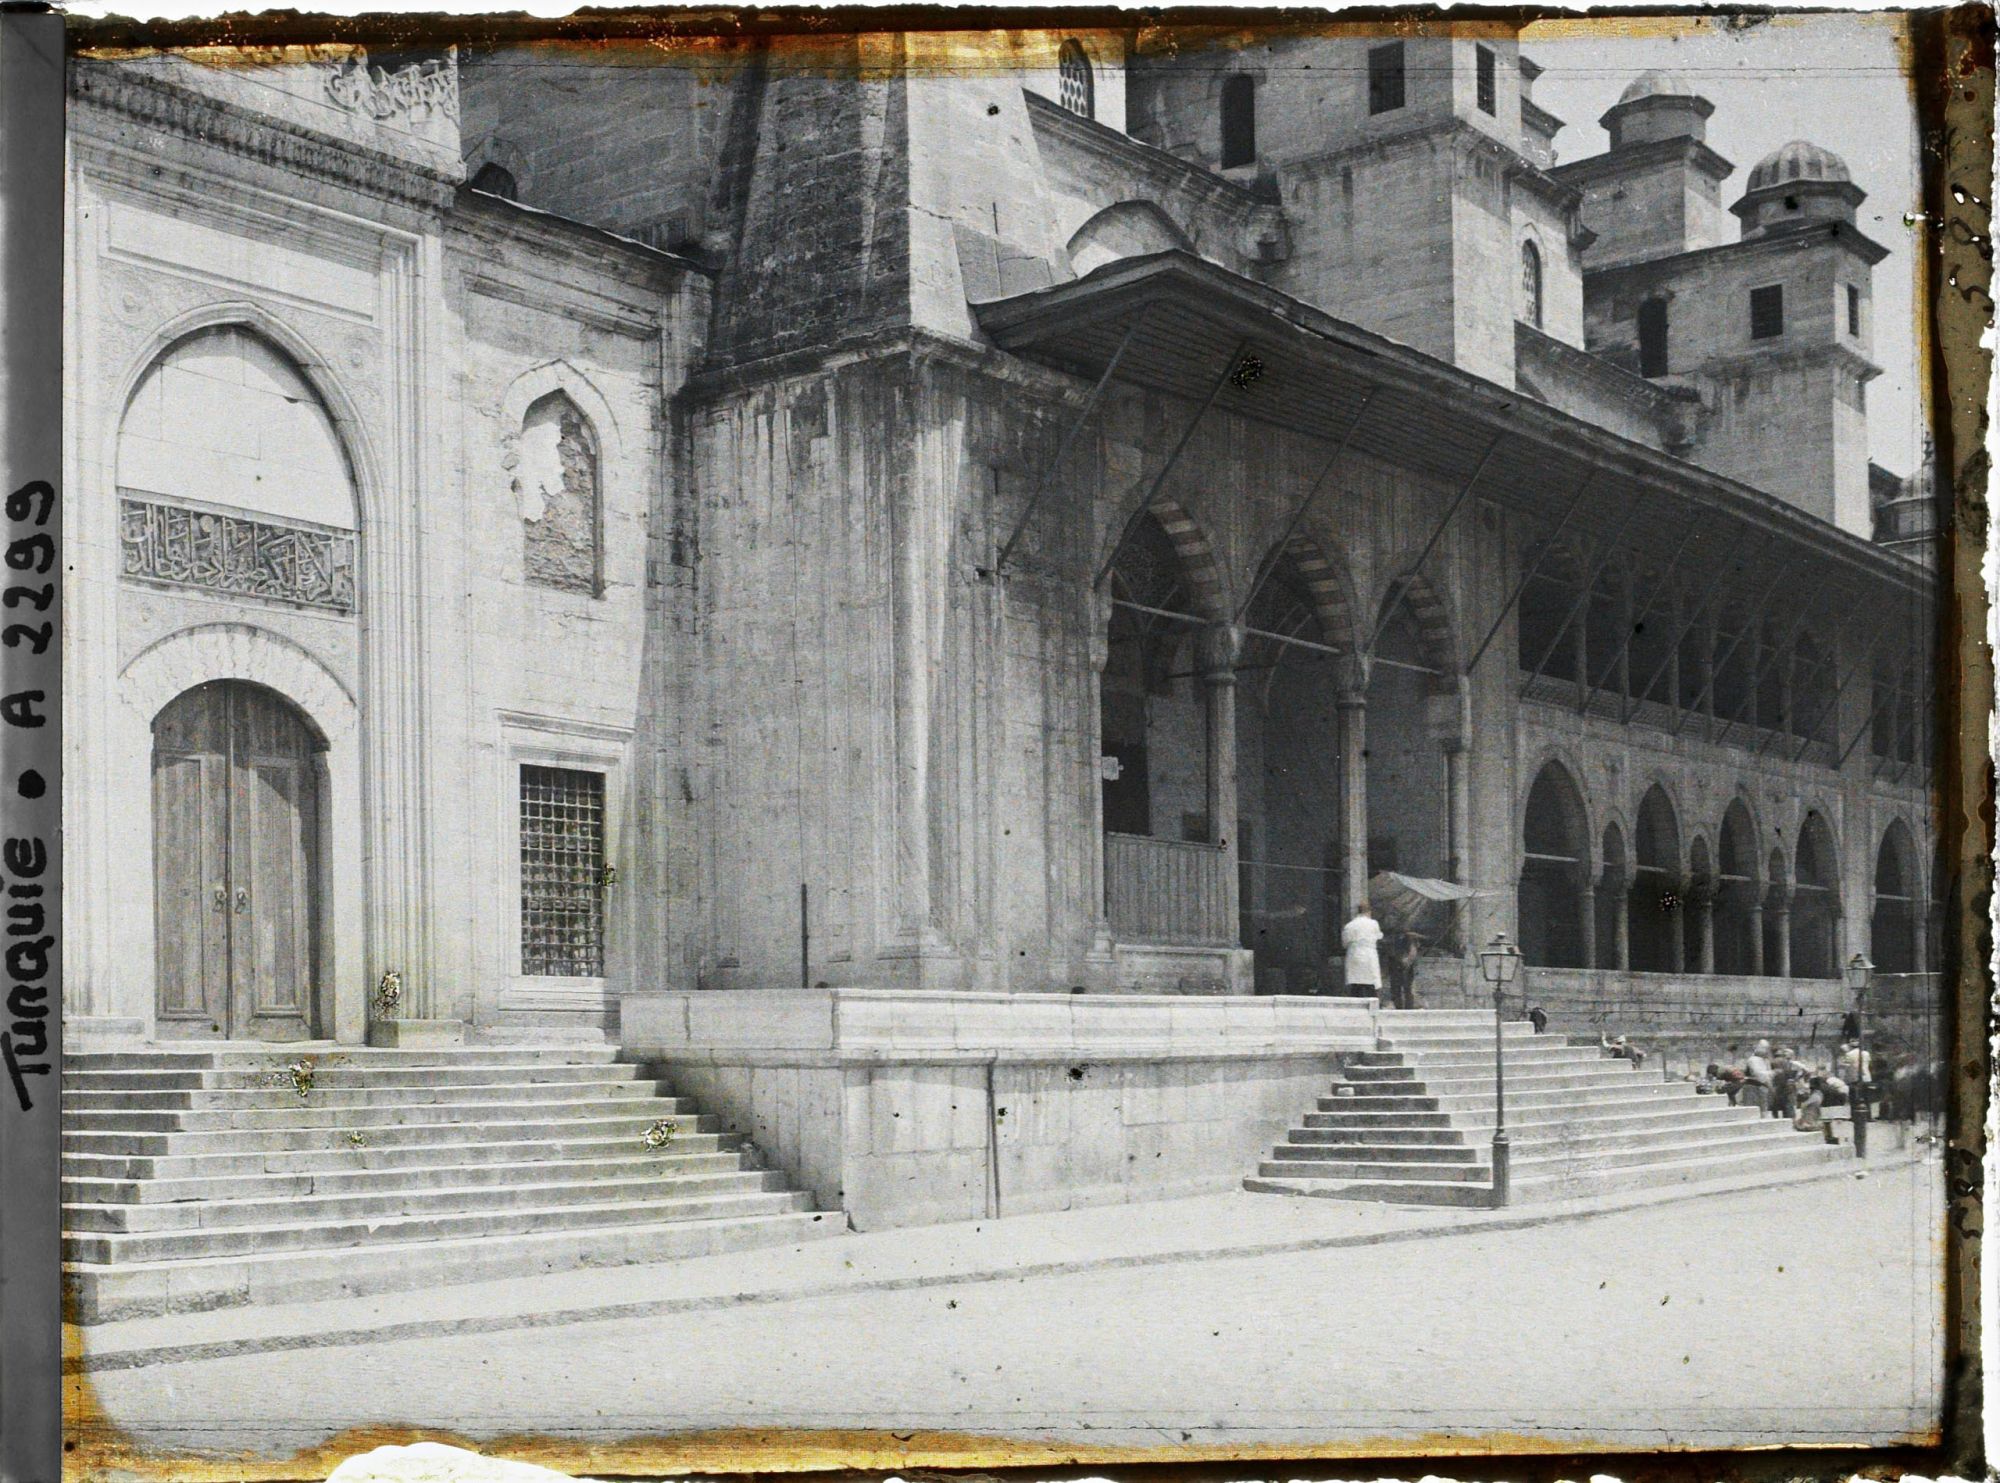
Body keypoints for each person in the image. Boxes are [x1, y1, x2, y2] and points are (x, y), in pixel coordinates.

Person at [1340, 902, 1384, 1000]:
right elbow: (1379, 936)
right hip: (1369, 955)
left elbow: (1344, 943)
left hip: (1354, 954)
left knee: (1355, 983)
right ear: (1369, 912)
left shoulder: (1349, 925)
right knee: (1371, 982)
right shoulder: (1373, 923)